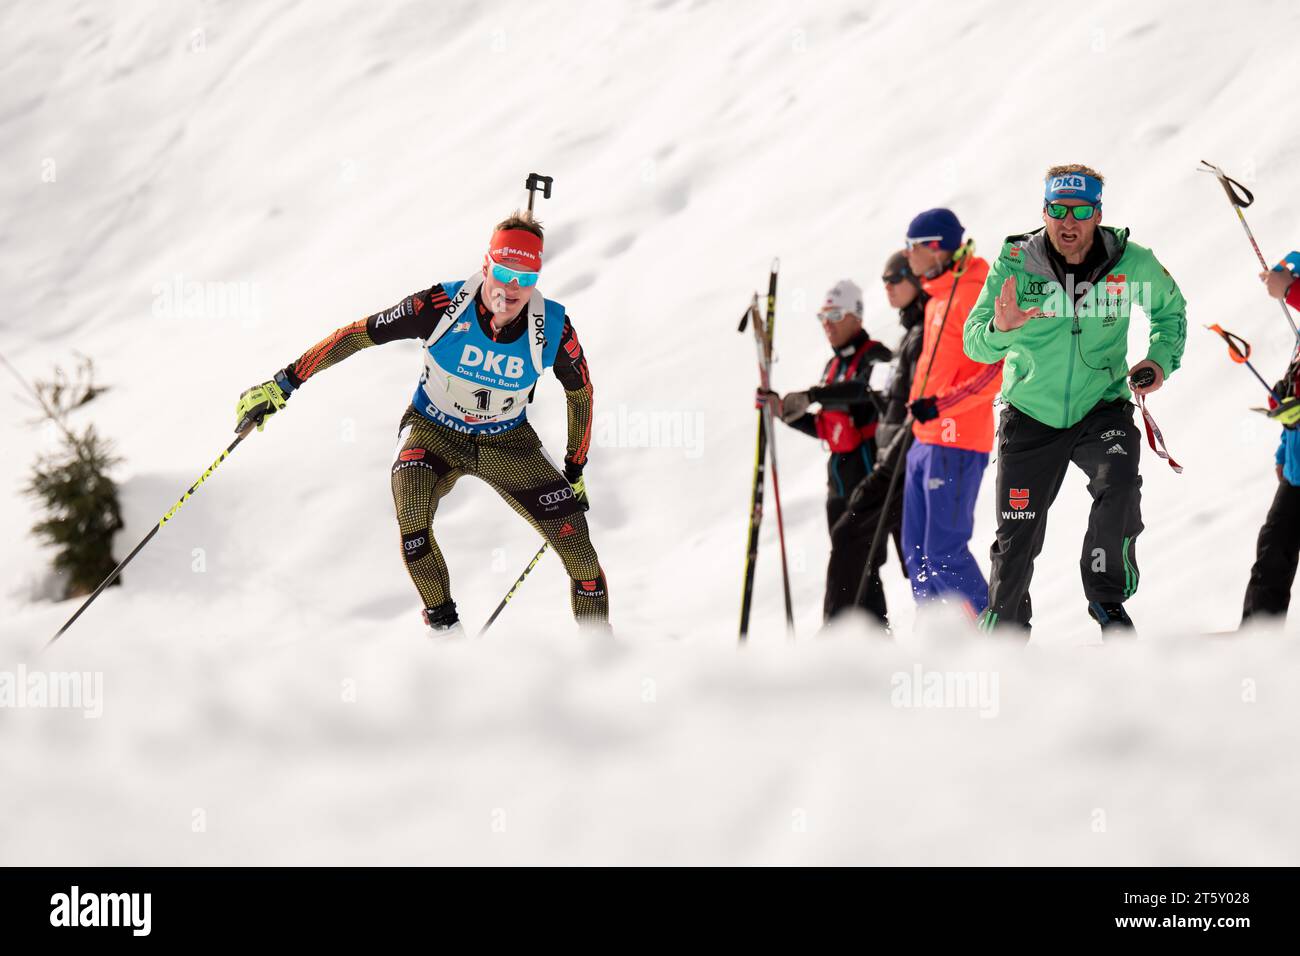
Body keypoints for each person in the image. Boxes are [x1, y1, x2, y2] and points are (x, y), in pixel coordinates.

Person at [232, 210, 608, 635]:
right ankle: (446, 633)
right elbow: (359, 333)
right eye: (503, 271)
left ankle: (601, 661)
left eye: (526, 275)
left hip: (507, 442)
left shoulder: (553, 326)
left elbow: (581, 392)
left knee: (582, 557)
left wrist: (574, 469)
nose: (511, 287)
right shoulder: (442, 305)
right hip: (433, 430)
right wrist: (284, 383)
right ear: (486, 265)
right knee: (412, 514)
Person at [963, 164, 1187, 634]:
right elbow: (974, 343)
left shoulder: (1130, 262)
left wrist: (1158, 362)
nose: (1069, 223)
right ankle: (1004, 629)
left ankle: (1106, 598)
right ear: (1044, 212)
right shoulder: (1016, 263)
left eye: (1081, 211)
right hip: (1029, 415)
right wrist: (1001, 330)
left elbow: (1171, 311)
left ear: (1098, 213)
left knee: (1119, 485)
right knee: (1017, 535)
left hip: (1101, 407)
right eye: (1058, 211)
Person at [818, 253, 929, 624]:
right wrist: (788, 411)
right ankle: (867, 640)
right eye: (823, 317)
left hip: (883, 470)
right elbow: (827, 427)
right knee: (856, 557)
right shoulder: (833, 365)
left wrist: (815, 394)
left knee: (910, 557)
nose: (828, 325)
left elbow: (865, 388)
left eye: (835, 316)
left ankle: (947, 631)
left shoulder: (876, 355)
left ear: (855, 316)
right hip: (844, 478)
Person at [901, 209, 1001, 618]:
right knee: (917, 553)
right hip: (925, 440)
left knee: (943, 552)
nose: (906, 256)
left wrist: (940, 405)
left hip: (958, 439)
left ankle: (997, 637)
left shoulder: (977, 292)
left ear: (935, 247)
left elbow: (994, 371)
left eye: (911, 247)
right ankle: (938, 640)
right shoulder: (938, 295)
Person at [1242, 255, 1300, 621]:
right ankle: (1259, 636)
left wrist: (1290, 288)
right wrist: (1283, 450)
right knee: (1273, 549)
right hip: (1297, 469)